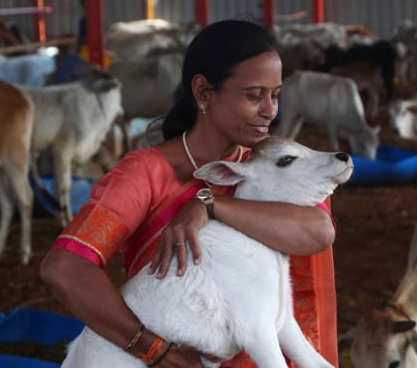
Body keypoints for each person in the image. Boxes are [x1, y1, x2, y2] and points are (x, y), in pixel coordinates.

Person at [40, 19, 339, 367]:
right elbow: (64, 267)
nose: (270, 110)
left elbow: (319, 231)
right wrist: (153, 349)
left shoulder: (270, 165)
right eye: (253, 95)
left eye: (275, 95)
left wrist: (211, 207)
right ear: (203, 92)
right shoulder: (145, 174)